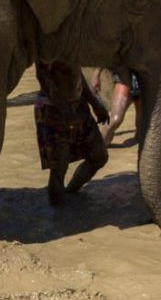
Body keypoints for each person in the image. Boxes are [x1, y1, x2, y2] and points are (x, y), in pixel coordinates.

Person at [34, 61, 110, 206]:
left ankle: (71, 194)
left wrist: (95, 103)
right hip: (53, 108)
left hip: (78, 104)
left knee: (99, 156)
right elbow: (43, 75)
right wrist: (64, 109)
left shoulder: (71, 43)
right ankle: (60, 217)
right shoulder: (49, 43)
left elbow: (76, 72)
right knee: (59, 168)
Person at [90, 68, 140, 146]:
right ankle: (98, 146)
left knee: (142, 121)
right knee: (115, 118)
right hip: (124, 76)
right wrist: (96, 74)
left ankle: (138, 138)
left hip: (145, 79)